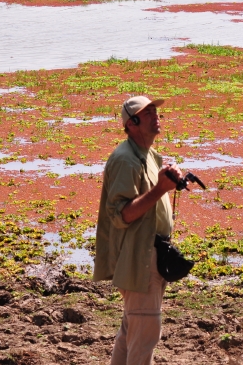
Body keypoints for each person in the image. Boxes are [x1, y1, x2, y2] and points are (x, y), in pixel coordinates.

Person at [93, 95, 183, 365]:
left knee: (132, 330)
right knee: (144, 333)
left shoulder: (148, 155)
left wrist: (167, 181)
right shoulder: (126, 160)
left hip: (149, 254)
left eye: (156, 111)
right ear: (131, 123)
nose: (156, 116)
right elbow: (122, 215)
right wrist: (160, 189)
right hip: (140, 258)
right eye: (148, 113)